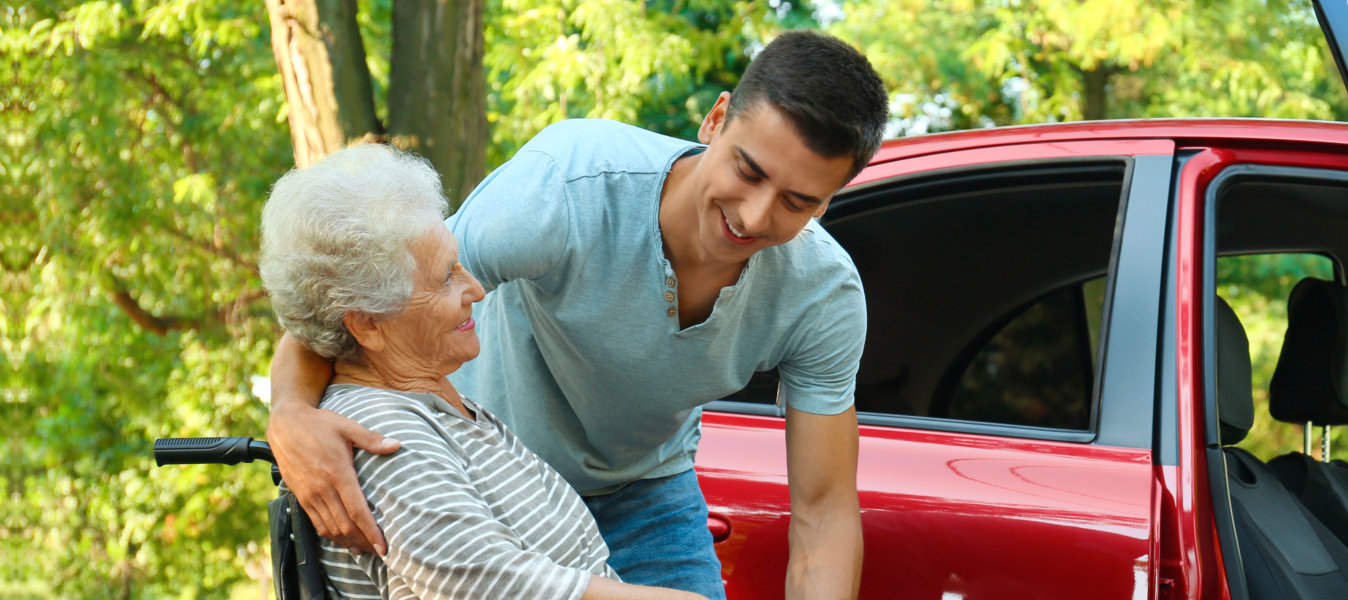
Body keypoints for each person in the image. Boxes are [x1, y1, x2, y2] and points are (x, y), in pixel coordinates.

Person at [265, 30, 888, 599]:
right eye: (748, 172)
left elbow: (825, 510)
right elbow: (367, 303)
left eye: (797, 202)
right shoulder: (563, 190)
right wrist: (290, 413)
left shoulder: (822, 296)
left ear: (830, 200)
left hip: (645, 495)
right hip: (487, 478)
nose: (754, 216)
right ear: (716, 119)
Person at [258, 144, 707, 600]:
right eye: (445, 278)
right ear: (369, 324)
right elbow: (494, 586)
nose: (475, 288)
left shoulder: (434, 400)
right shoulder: (382, 433)